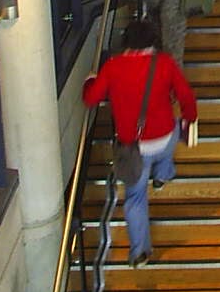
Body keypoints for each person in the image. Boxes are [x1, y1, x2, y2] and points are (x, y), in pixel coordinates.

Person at [83, 19, 198, 268]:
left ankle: (140, 251)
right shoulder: (164, 63)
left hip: (134, 148)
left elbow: (91, 99)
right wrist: (190, 119)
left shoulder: (113, 67)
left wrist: (91, 81)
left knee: (135, 198)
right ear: (152, 43)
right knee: (171, 137)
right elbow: (186, 96)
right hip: (165, 138)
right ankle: (164, 174)